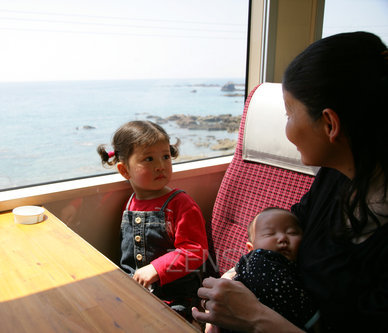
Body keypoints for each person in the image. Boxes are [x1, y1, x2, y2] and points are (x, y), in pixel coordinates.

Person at [193, 31, 388, 332]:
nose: (286, 129)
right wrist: (229, 285)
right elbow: (284, 228)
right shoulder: (336, 178)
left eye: (288, 114)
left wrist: (254, 316)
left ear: (329, 124)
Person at [97, 120, 209, 321]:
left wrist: (157, 269)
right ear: (125, 171)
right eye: (149, 159)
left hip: (175, 297)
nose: (160, 166)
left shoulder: (180, 204)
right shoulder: (130, 204)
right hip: (136, 290)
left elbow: (196, 251)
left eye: (165, 156)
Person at [218, 207, 318, 332]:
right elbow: (286, 292)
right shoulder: (261, 258)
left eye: (292, 233)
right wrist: (314, 319)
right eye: (269, 234)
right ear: (251, 248)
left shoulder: (297, 266)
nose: (282, 238)